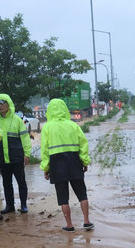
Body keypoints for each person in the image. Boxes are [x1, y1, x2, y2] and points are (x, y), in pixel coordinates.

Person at [40, 98, 94, 232]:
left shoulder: (47, 127)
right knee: (82, 193)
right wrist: (85, 161)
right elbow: (83, 144)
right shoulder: (73, 125)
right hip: (74, 161)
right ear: (65, 109)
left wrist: (46, 168)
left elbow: (45, 151)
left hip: (57, 164)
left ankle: (69, 225)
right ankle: (86, 222)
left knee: (63, 197)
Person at [0, 93, 31, 214]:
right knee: (6, 183)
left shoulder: (17, 120)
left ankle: (23, 205)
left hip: (16, 157)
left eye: (2, 103)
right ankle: (10, 206)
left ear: (9, 104)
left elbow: (25, 138)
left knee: (21, 182)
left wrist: (27, 154)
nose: (0, 106)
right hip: (2, 157)